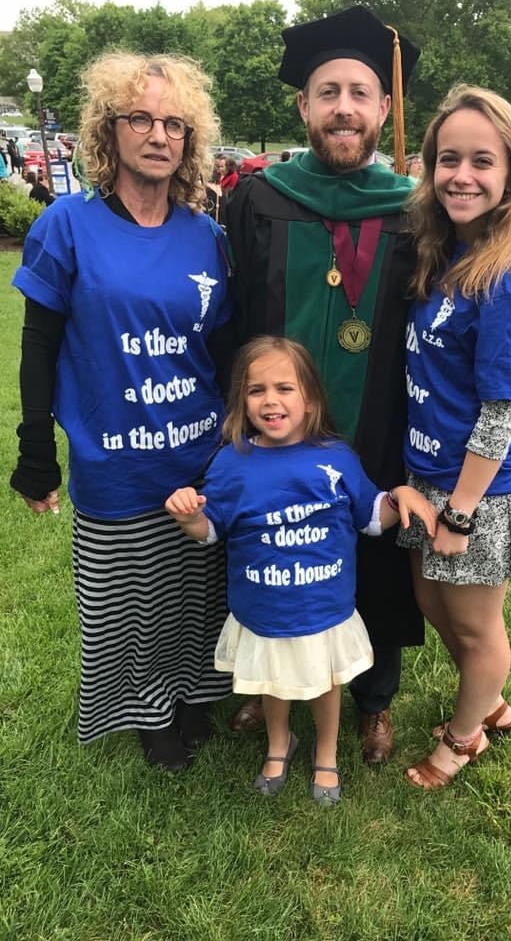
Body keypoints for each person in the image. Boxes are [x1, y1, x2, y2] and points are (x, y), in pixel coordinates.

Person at [225, 6, 511, 765]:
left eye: (361, 93)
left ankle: (375, 699)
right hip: (278, 422)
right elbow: (230, 320)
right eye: (328, 91)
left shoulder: (417, 215)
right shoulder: (256, 200)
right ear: (303, 107)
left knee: (380, 560)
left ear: (382, 110)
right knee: (266, 538)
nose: (344, 106)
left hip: (382, 426)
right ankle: (263, 681)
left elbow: (475, 333)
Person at [10, 51, 234, 772]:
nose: (158, 135)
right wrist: (35, 448)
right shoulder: (68, 225)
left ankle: (198, 691)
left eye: (174, 122)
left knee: (198, 591)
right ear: (109, 129)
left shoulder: (207, 234)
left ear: (191, 139)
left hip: (198, 451)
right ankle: (148, 710)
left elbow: (224, 349)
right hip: (114, 459)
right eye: (140, 117)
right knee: (129, 602)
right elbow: (38, 345)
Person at [166, 336, 437, 802]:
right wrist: (191, 517)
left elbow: (372, 517)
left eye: (284, 388)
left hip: (322, 607)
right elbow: (212, 531)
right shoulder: (232, 462)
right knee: (274, 683)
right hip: (263, 607)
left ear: (309, 396)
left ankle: (325, 753)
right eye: (256, 390)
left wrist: (400, 497)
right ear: (242, 400)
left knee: (325, 683)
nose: (270, 400)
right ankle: (279, 743)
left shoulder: (335, 458)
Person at [397, 85, 511, 790]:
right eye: (448, 159)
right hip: (429, 475)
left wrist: (460, 512)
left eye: (482, 161)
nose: (462, 174)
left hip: (477, 491)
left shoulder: (508, 276)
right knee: (433, 603)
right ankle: (491, 705)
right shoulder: (448, 252)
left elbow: (498, 412)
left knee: (476, 628)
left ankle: (464, 739)